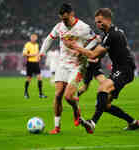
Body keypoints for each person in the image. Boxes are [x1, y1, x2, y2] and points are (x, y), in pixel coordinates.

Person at [64, 8, 139, 134]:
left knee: (102, 89)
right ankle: (133, 122)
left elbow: (93, 55)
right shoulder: (111, 33)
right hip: (121, 69)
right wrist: (89, 55)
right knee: (105, 105)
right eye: (96, 22)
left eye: (100, 22)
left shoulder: (112, 35)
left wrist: (74, 46)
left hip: (124, 69)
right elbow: (99, 54)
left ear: (108, 19)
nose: (98, 24)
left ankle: (92, 122)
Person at [39, 3, 98, 134]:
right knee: (58, 94)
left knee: (68, 96)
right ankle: (57, 127)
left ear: (72, 14)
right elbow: (49, 39)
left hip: (77, 66)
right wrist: (42, 52)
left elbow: (95, 40)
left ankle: (76, 110)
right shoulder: (59, 27)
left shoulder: (83, 27)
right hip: (62, 64)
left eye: (66, 19)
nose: (64, 22)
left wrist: (83, 50)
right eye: (62, 19)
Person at [22, 33, 47, 99]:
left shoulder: (36, 45)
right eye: (32, 37)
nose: (33, 38)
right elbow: (24, 54)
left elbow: (37, 53)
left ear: (36, 38)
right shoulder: (28, 44)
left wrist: (38, 57)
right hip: (30, 63)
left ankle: (41, 94)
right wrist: (32, 55)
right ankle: (26, 92)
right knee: (29, 79)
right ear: (30, 38)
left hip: (36, 63)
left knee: (39, 78)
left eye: (35, 37)